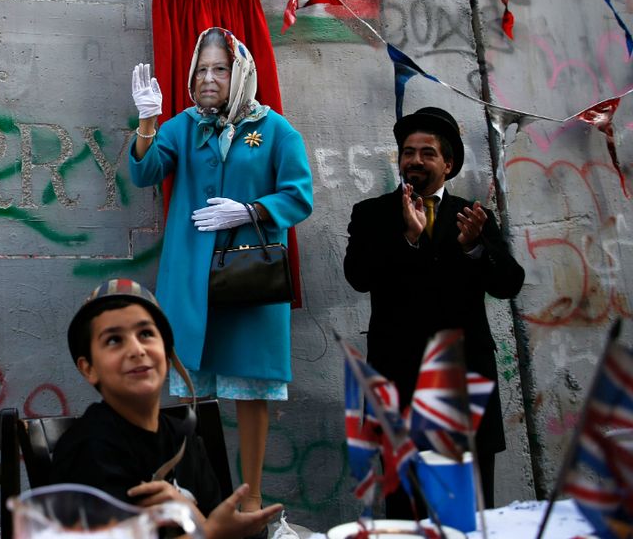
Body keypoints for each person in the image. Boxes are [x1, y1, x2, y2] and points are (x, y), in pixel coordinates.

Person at [127, 27, 314, 517]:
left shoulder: (274, 130)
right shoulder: (182, 127)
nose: (208, 78)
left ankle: (250, 499)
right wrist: (149, 121)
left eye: (220, 69)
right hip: (192, 280)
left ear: (241, 73)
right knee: (192, 393)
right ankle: (199, 499)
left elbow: (299, 196)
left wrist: (250, 210)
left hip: (251, 280)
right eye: (202, 69)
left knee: (252, 391)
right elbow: (145, 172)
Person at [344, 106, 524, 518]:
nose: (415, 161)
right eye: (408, 152)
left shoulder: (472, 217)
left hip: (465, 388)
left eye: (427, 153)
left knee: (470, 513)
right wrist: (406, 237)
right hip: (399, 387)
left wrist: (474, 247)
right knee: (407, 513)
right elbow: (358, 275)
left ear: (448, 163)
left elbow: (508, 283)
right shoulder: (372, 215)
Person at [51, 279, 284, 539]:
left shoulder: (183, 437)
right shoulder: (89, 449)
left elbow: (209, 520)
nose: (137, 350)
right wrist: (208, 532)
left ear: (167, 351)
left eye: (146, 334)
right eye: (114, 340)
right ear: (88, 368)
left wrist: (195, 519)